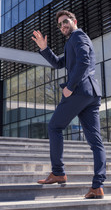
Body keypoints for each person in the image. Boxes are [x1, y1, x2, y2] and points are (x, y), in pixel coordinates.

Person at [31, 10, 106, 199]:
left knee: (54, 126)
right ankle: (97, 186)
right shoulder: (72, 41)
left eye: (65, 21)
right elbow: (58, 63)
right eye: (60, 24)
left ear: (74, 21)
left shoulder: (78, 36)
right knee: (95, 143)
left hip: (79, 91)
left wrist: (70, 87)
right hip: (91, 95)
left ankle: (58, 172)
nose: (63, 25)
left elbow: (83, 62)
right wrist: (44, 49)